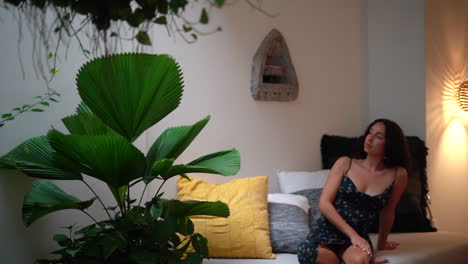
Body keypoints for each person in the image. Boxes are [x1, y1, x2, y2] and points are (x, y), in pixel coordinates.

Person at [297, 119, 410, 264]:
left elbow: (388, 211)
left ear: (390, 144)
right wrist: (353, 236)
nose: (370, 138)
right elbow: (324, 204)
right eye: (370, 132)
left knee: (359, 260)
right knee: (308, 252)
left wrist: (381, 244)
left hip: (355, 240)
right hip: (326, 233)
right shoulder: (345, 163)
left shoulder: (398, 174)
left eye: (379, 136)